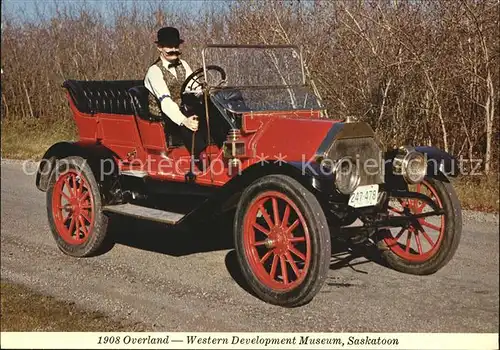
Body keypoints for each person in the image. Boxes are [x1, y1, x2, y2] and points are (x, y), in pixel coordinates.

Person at [144, 26, 207, 169]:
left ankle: (231, 148)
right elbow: (166, 102)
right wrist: (184, 121)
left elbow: (194, 87)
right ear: (160, 47)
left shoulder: (183, 64)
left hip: (183, 107)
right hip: (163, 116)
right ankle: (202, 162)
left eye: (176, 46)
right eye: (169, 46)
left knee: (211, 107)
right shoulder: (154, 71)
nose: (173, 49)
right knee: (190, 116)